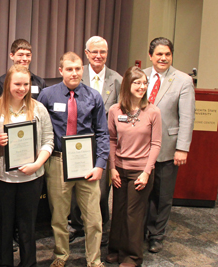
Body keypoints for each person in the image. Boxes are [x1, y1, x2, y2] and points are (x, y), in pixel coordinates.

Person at [37, 52, 108, 267]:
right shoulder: (47, 95)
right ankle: (61, 255)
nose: (74, 73)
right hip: (58, 161)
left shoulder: (94, 96)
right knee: (59, 215)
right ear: (61, 71)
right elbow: (38, 128)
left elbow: (103, 133)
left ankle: (94, 260)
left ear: (82, 69)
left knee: (93, 217)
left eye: (78, 68)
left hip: (87, 163)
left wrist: (100, 165)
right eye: (69, 69)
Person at [0, 64, 54, 267]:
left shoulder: (39, 108)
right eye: (17, 84)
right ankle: (3, 262)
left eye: (25, 84)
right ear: (7, 84)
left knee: (27, 226)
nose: (21, 88)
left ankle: (28, 263)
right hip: (0, 177)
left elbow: (48, 140)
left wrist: (37, 164)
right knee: (3, 225)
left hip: (32, 177)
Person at [105, 66, 162, 267]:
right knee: (118, 212)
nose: (141, 87)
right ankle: (116, 250)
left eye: (144, 83)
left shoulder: (153, 111)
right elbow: (111, 140)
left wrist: (147, 172)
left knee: (133, 214)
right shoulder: (114, 110)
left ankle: (133, 256)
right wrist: (112, 168)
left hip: (141, 171)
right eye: (137, 82)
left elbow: (156, 144)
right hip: (119, 168)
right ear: (127, 85)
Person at [69, 36, 122, 245]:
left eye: (103, 52)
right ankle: (77, 226)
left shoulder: (117, 79)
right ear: (86, 53)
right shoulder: (76, 73)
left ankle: (99, 227)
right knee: (75, 188)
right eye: (94, 52)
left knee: (100, 191)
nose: (98, 56)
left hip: (103, 142)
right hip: (76, 142)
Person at [143, 37, 195, 253]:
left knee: (162, 195)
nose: (163, 58)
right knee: (141, 192)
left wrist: (182, 148)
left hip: (167, 147)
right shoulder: (140, 76)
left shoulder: (182, 80)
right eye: (159, 54)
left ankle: (156, 234)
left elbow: (187, 117)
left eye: (167, 54)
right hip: (140, 147)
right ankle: (139, 230)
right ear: (150, 56)